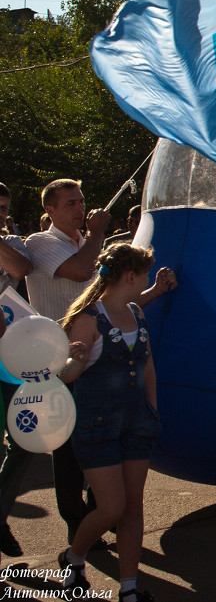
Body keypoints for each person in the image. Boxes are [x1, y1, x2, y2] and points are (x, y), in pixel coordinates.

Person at [23, 179, 174, 548]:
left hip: (102, 362)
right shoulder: (39, 243)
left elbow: (117, 304)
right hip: (64, 358)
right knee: (70, 452)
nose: (80, 208)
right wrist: (98, 234)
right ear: (51, 211)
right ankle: (77, 525)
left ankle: (102, 513)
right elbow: (78, 271)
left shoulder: (90, 244)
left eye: (82, 200)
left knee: (105, 446)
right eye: (70, 203)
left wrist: (154, 289)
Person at [56, 244, 177, 601]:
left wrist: (152, 409)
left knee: (133, 506)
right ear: (130, 276)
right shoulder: (88, 318)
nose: (145, 281)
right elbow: (66, 375)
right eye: (143, 276)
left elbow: (147, 365)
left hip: (137, 423)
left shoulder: (137, 312)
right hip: (97, 424)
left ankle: (128, 588)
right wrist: (74, 361)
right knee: (111, 508)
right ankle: (74, 557)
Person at [0, 184, 30, 557]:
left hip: (12, 357)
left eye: (4, 207)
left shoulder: (15, 244)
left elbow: (19, 269)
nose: (1, 214)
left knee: (24, 440)